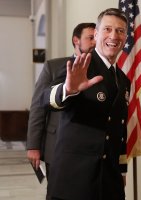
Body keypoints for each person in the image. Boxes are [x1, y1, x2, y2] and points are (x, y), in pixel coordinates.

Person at [41, 8, 130, 200]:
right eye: (107, 29)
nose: (114, 35)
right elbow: (46, 99)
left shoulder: (123, 79)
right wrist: (68, 89)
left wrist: (122, 171)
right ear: (96, 34)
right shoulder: (79, 65)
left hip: (109, 181)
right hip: (74, 181)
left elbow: (119, 129)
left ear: (125, 37)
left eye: (120, 31)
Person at [26, 22, 96, 177]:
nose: (94, 42)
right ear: (76, 40)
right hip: (57, 146)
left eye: (96, 38)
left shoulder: (100, 71)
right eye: (90, 38)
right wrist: (33, 146)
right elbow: (38, 106)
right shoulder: (54, 66)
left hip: (89, 149)